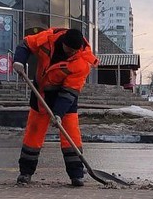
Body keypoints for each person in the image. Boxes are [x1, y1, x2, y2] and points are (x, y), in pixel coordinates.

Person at [12, 27, 98, 186]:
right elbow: (26, 44)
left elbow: (69, 92)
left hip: (64, 98)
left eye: (74, 50)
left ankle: (76, 174)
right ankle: (25, 173)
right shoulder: (48, 38)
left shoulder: (82, 62)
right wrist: (19, 60)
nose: (71, 53)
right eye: (69, 49)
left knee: (71, 134)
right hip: (41, 94)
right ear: (63, 42)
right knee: (34, 133)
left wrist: (58, 113)